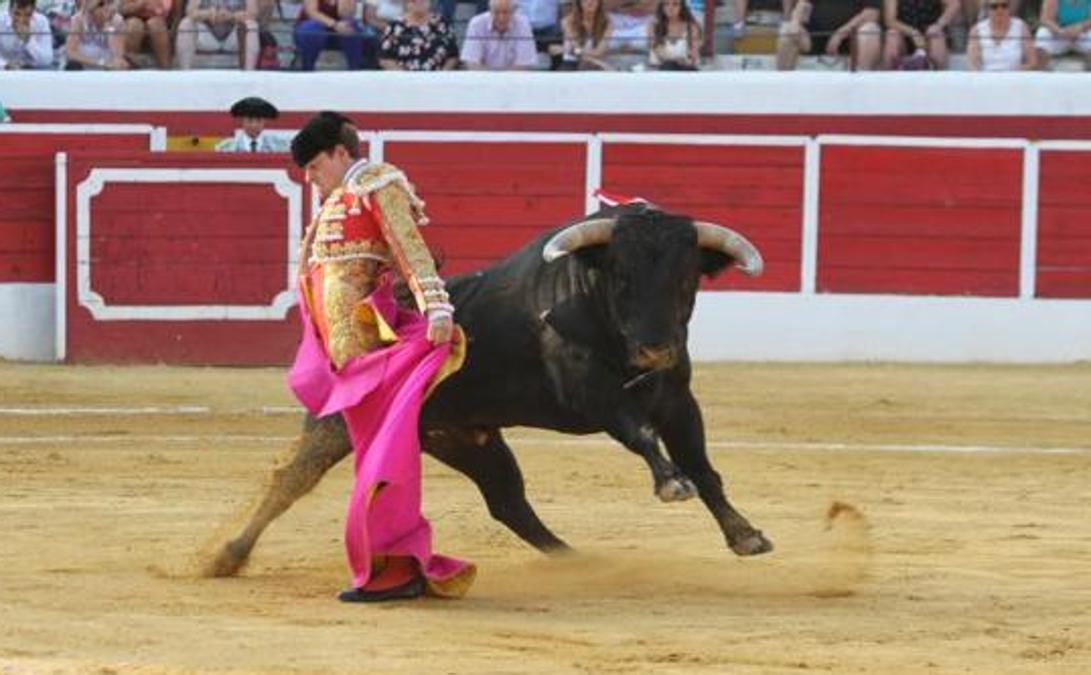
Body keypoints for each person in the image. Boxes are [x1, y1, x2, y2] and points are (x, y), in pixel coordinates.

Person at [288, 112, 474, 603]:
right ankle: (394, 564)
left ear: (340, 153)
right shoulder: (335, 201)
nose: (310, 177)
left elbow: (408, 246)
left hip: (375, 359)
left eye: (313, 166)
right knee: (373, 463)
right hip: (351, 365)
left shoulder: (377, 183)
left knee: (384, 463)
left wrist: (436, 305)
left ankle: (395, 572)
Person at [777, 0, 882, 70]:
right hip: (815, 37)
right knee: (787, 30)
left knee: (871, 30)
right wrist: (795, 22)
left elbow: (871, 14)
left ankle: (861, 86)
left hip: (851, 41)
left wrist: (840, 34)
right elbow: (803, 4)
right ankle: (783, 88)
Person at [294, 0, 380, 70]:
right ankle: (307, 69)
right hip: (313, 27)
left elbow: (346, 15)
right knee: (312, 29)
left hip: (337, 31)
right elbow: (311, 12)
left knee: (352, 27)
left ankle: (354, 70)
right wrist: (334, 24)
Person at [175, 0, 259, 69]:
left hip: (233, 36)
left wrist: (232, 16)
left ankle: (249, 72)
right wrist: (208, 14)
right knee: (186, 23)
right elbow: (190, 12)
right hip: (207, 36)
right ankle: (185, 72)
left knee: (251, 25)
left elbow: (253, 13)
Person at [379, 0, 459, 70]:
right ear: (407, 2)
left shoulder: (442, 24)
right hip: (404, 81)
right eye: (414, 0)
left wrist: (441, 76)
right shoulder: (395, 26)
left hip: (437, 81)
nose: (419, 2)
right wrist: (405, 78)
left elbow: (453, 56)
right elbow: (385, 59)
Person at [460, 0, 539, 69]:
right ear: (490, 11)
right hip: (483, 80)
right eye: (496, 12)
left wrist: (502, 81)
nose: (501, 17)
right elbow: (472, 63)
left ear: (513, 11)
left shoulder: (523, 24)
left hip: (515, 80)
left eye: (505, 12)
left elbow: (524, 64)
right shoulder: (476, 24)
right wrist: (492, 81)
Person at [883, 0, 960, 69]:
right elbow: (890, 20)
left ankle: (938, 76)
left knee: (937, 36)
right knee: (892, 35)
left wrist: (938, 25)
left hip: (930, 33)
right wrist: (912, 32)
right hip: (905, 34)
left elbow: (954, 4)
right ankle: (892, 76)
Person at [966, 0, 1033, 69]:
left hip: (1014, 76)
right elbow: (972, 63)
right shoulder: (977, 30)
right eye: (994, 6)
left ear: (1009, 8)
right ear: (987, 9)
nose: (1000, 10)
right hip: (986, 77)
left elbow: (1032, 62)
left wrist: (1015, 73)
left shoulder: (1021, 27)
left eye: (1004, 6)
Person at [65, 0, 128, 69]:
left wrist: (109, 27)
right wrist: (100, 62)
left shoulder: (117, 20)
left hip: (107, 65)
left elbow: (118, 56)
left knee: (121, 66)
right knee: (72, 65)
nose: (106, 7)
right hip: (84, 62)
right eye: (101, 4)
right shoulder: (78, 19)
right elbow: (71, 52)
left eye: (108, 3)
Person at [216, 96, 288, 152]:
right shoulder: (225, 148)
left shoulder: (280, 147)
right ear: (242, 121)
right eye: (249, 120)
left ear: (264, 122)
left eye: (259, 120)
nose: (254, 125)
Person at [1034, 0, 1091, 68]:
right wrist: (1060, 31)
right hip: (1059, 32)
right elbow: (1045, 19)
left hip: (1083, 32)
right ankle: (1041, 69)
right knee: (1042, 33)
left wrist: (1081, 27)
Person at [646, 0, 702, 69]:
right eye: (666, 4)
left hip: (686, 70)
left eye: (675, 4)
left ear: (682, 7)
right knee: (668, 66)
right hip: (660, 71)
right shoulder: (653, 26)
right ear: (661, 7)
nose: (670, 7)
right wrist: (675, 60)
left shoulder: (691, 27)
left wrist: (685, 60)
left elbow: (693, 53)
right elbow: (658, 52)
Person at [0, 0, 54, 69]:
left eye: (27, 15)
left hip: (32, 70)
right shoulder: (1, 21)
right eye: (17, 14)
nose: (21, 19)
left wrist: (28, 40)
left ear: (33, 11)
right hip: (4, 70)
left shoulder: (42, 22)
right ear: (9, 11)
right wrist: (5, 65)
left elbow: (47, 60)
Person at [119, 0, 174, 68]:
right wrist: (140, 5)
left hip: (160, 20)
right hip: (134, 17)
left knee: (156, 25)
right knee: (135, 25)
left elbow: (174, 15)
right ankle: (128, 68)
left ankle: (165, 70)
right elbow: (123, 9)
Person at [560, 0, 613, 68]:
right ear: (579, 3)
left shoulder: (607, 23)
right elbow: (577, 50)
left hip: (596, 64)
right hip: (572, 63)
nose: (589, 2)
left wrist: (566, 50)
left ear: (599, 2)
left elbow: (599, 52)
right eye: (585, 0)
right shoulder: (568, 21)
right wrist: (597, 61)